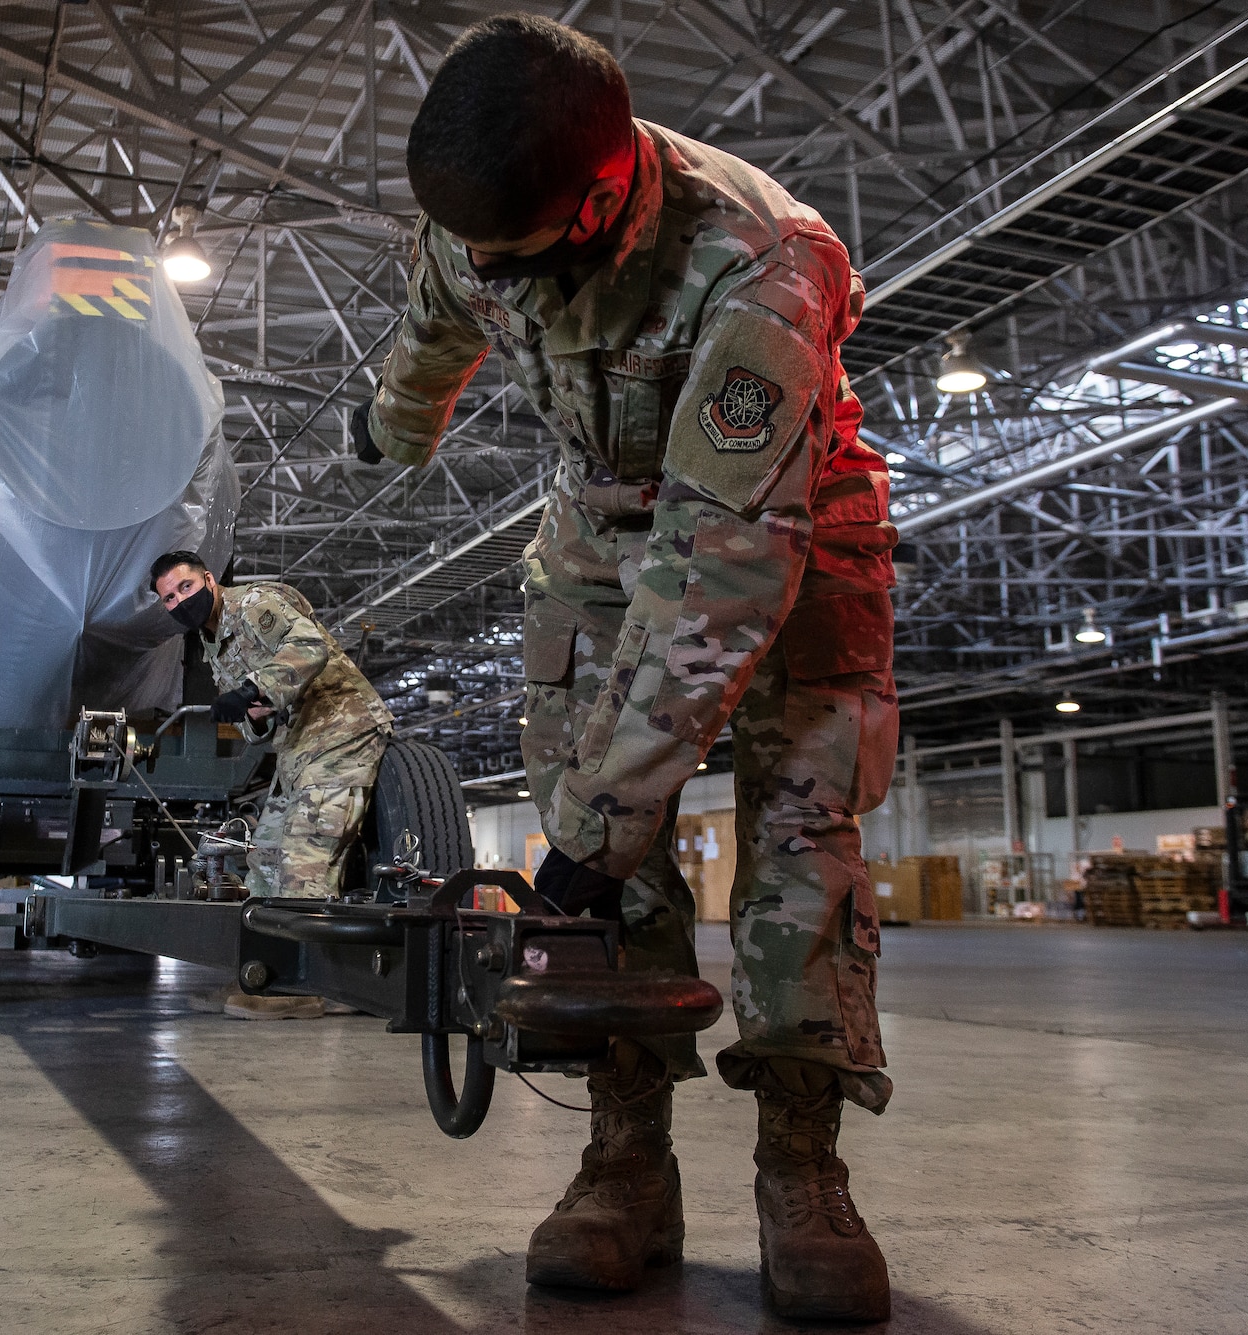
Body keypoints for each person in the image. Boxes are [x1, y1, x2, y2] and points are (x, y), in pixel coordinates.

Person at [353, 15, 899, 1320]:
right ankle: (626, 1158)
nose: (495, 274)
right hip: (598, 529)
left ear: (601, 197)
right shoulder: (479, 224)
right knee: (608, 847)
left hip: (788, 535)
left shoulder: (762, 267)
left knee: (799, 832)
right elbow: (441, 317)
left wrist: (589, 836)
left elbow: (719, 565)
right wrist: (399, 424)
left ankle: (803, 1165)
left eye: (519, 257)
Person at [150, 553, 396, 1016]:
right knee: (264, 860)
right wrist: (253, 713)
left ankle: (306, 984)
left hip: (341, 731)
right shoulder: (211, 644)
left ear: (207, 580)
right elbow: (257, 724)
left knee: (305, 856)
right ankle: (266, 976)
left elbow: (308, 646)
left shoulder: (253, 604)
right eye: (169, 598)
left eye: (185, 588)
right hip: (298, 748)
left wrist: (251, 690)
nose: (180, 600)